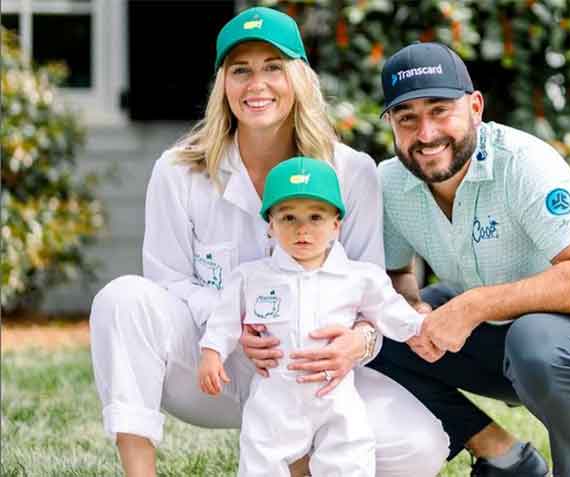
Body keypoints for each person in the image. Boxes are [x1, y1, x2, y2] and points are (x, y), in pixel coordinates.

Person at [89, 8, 448, 477]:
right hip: (214, 369)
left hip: (315, 375)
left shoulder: (351, 171)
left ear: (299, 77)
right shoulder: (178, 171)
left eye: (272, 67)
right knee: (122, 299)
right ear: (223, 84)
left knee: (421, 446)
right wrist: (233, 326)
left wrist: (357, 344)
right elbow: (168, 281)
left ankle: (294, 462)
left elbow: (370, 296)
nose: (256, 84)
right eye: (241, 70)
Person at [369, 42, 570, 477]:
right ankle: (503, 457)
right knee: (377, 333)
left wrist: (472, 306)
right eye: (407, 118)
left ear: (474, 107)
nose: (426, 134)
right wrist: (411, 308)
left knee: (536, 340)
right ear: (391, 124)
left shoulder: (523, 163)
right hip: (507, 342)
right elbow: (396, 274)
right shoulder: (391, 181)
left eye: (439, 110)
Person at [198, 156, 427, 476]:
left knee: (351, 451)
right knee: (260, 453)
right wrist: (212, 354)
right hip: (274, 394)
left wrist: (419, 329)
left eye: (316, 217)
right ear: (270, 224)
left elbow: (389, 308)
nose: (302, 229)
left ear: (336, 224)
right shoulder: (251, 277)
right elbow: (224, 321)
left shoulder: (358, 276)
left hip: (334, 394)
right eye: (288, 217)